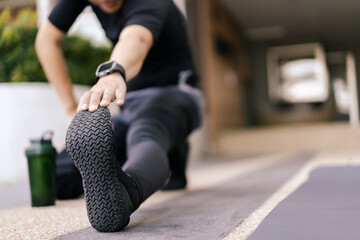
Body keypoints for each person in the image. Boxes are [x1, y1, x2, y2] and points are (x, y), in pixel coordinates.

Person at [35, 0, 203, 232]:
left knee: (146, 134)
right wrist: (69, 108)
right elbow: (45, 41)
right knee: (58, 178)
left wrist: (112, 72)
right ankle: (168, 153)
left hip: (175, 92)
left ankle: (129, 190)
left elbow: (136, 39)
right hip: (129, 103)